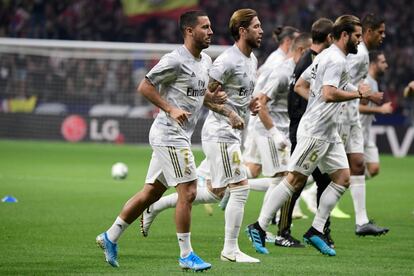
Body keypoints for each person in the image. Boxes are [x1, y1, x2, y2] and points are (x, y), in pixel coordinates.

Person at [95, 10, 227, 271]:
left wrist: (217, 103)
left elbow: (199, 96)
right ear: (189, 31)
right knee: (188, 191)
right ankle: (186, 255)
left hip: (179, 135)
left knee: (151, 193)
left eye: (211, 27)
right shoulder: (174, 60)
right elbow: (144, 86)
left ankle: (110, 237)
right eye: (205, 27)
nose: (211, 31)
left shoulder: (205, 63)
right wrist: (170, 108)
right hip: (169, 134)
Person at [246, 14, 373, 257]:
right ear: (344, 35)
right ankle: (259, 226)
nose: (360, 40)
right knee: (294, 179)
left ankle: (316, 229)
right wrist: (356, 93)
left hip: (328, 130)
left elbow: (301, 85)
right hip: (316, 131)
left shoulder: (326, 55)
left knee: (343, 177)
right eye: (357, 35)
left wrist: (324, 99)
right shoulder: (335, 60)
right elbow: (328, 93)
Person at [201, 8, 262, 263]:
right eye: (256, 26)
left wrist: (249, 106)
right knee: (240, 187)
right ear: (242, 30)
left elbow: (239, 97)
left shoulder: (252, 60)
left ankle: (155, 206)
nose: (261, 31)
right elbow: (203, 96)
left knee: (214, 191)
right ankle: (230, 250)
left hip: (233, 134)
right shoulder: (226, 61)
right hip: (220, 133)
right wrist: (229, 113)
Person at [242, 33, 312, 248]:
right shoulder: (282, 72)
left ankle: (238, 190)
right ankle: (261, 228)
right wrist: (274, 133)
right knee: (283, 179)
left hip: (284, 130)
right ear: (301, 51)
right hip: (269, 131)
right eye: (310, 52)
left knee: (284, 179)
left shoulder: (296, 72)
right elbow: (260, 102)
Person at [276, 18, 336, 249]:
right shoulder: (310, 60)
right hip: (304, 129)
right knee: (296, 181)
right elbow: (299, 91)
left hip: (310, 128)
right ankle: (281, 231)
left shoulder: (308, 59)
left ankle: (321, 229)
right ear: (330, 38)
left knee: (324, 180)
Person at [339, 13, 389, 236]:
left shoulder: (364, 54)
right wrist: (361, 91)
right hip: (339, 116)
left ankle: (361, 222)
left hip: (351, 117)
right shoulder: (357, 54)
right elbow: (338, 81)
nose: (383, 36)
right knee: (309, 173)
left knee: (358, 164)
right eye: (380, 32)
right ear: (368, 32)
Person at [359, 51, 393, 178]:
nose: (386, 65)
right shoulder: (366, 82)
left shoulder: (373, 82)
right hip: (356, 132)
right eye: (383, 62)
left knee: (373, 168)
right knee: (338, 170)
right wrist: (380, 110)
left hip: (366, 132)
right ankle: (311, 191)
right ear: (373, 64)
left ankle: (350, 182)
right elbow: (357, 107)